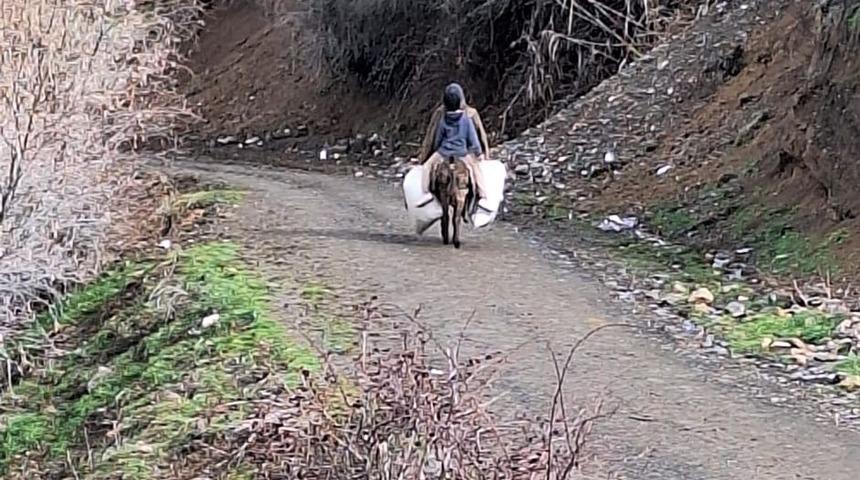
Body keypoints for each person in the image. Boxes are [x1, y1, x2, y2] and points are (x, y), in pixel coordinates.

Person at [420, 83, 490, 210]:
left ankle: (425, 194)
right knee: (476, 170)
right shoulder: (468, 116)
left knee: (426, 167)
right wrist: (480, 153)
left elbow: (435, 138)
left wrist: (431, 153)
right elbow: (475, 138)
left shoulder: (442, 116)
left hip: (443, 153)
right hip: (462, 153)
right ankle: (483, 195)